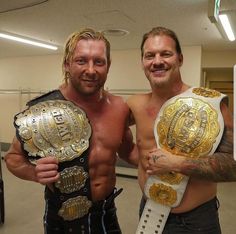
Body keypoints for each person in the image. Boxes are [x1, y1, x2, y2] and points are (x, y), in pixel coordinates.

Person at [5, 28, 138, 234]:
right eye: (81, 61)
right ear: (67, 64)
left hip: (106, 210)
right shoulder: (44, 112)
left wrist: (165, 161)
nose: (91, 70)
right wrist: (34, 173)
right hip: (63, 214)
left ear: (108, 65)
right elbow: (13, 157)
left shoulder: (120, 107)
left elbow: (129, 151)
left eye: (99, 61)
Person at [127, 26, 235, 234]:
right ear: (143, 63)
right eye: (150, 55)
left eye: (165, 54)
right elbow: (111, 135)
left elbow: (233, 165)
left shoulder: (211, 103)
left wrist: (178, 163)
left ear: (180, 59)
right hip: (149, 211)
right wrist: (138, 157)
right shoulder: (134, 105)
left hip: (197, 221)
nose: (157, 61)